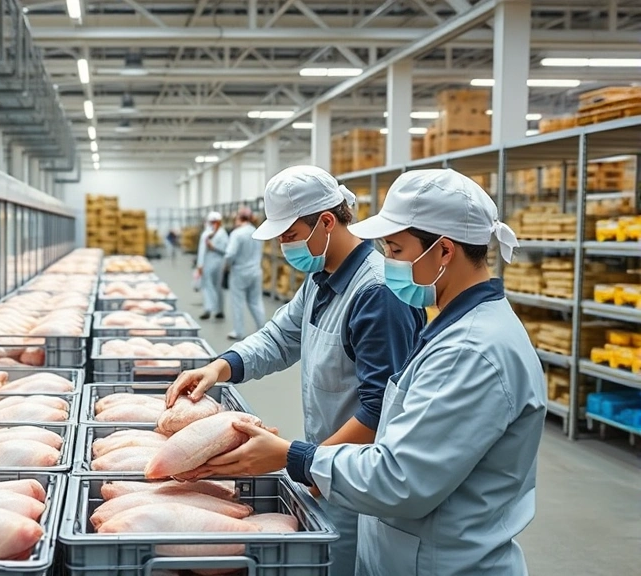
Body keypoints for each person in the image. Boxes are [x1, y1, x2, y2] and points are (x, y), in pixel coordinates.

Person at [179, 169, 546, 576]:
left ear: (444, 251)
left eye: (395, 248)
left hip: (441, 559)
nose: (387, 260)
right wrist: (223, 365)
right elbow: (284, 335)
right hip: (382, 518)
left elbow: (401, 477)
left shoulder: (470, 350)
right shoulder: (452, 327)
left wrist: (296, 459)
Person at [166, 165, 424, 576]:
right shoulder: (323, 278)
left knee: (343, 564)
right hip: (325, 467)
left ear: (326, 222)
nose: (286, 246)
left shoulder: (376, 294)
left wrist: (308, 463)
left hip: (353, 478)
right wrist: (220, 367)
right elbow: (280, 337)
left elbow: (380, 410)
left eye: (290, 235)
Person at [223, 207, 266, 339]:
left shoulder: (237, 234)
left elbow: (230, 254)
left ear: (238, 218)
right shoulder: (257, 232)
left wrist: (226, 267)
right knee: (256, 301)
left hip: (240, 272)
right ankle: (263, 330)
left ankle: (238, 331)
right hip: (255, 271)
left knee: (238, 302)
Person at [195, 211, 228, 320]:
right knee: (207, 286)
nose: (213, 224)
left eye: (215, 222)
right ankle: (208, 309)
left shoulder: (223, 234)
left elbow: (226, 250)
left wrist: (213, 247)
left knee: (218, 287)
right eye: (211, 222)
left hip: (219, 263)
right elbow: (201, 251)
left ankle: (219, 310)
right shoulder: (206, 234)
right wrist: (200, 265)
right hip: (207, 263)